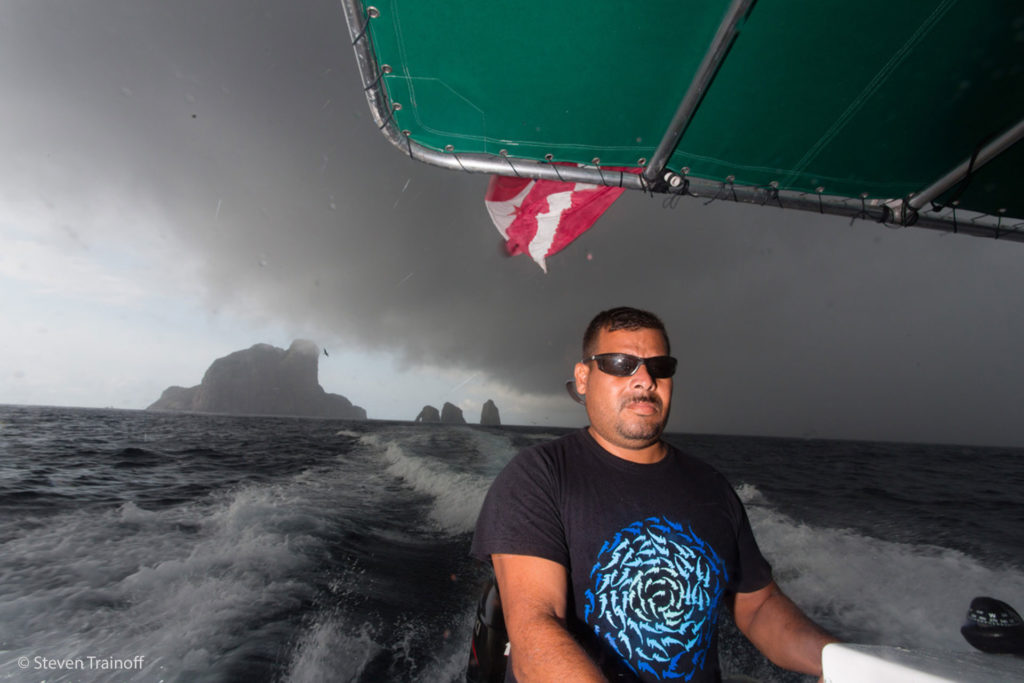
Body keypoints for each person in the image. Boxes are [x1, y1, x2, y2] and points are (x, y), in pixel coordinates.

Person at [471, 307, 838, 682]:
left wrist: (837, 661)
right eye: (620, 363)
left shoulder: (713, 487)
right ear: (583, 378)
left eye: (659, 366)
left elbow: (759, 606)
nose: (644, 379)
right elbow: (536, 629)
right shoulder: (537, 477)